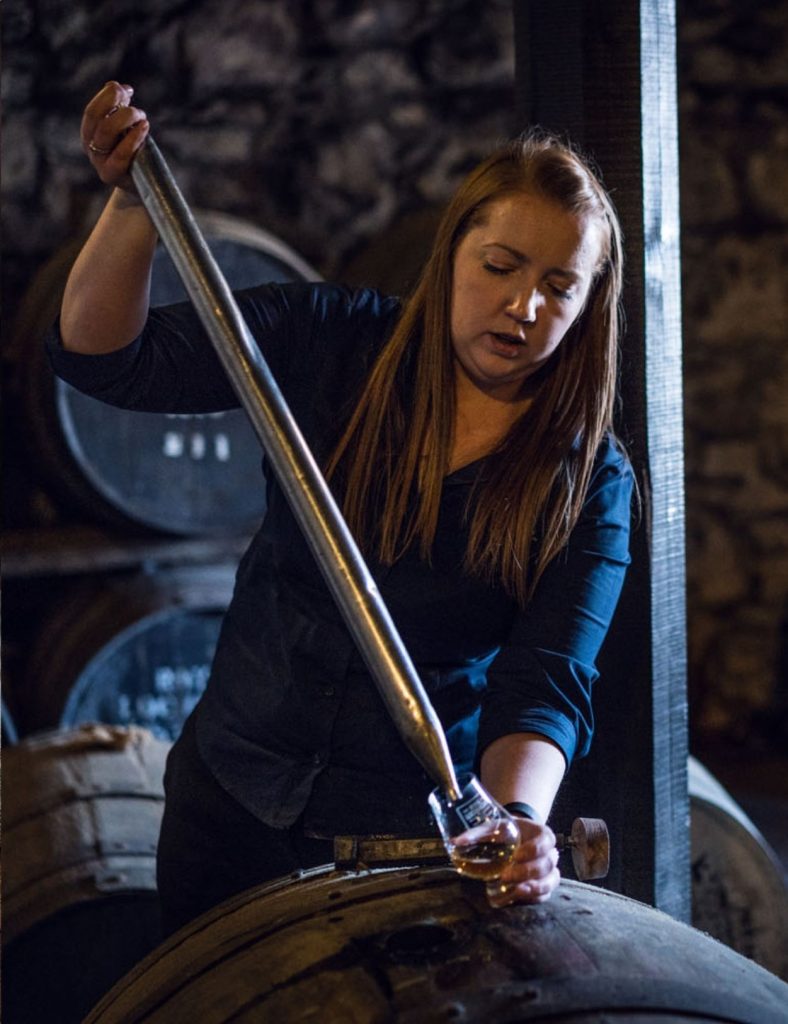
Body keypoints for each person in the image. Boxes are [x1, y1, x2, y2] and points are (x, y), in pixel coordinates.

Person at [48, 81, 634, 935]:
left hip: (403, 842)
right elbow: (104, 358)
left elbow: (546, 682)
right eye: (501, 267)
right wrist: (134, 206)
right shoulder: (331, 342)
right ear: (453, 254)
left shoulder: (588, 481)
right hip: (230, 806)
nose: (524, 306)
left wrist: (515, 819)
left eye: (559, 286)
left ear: (587, 311)